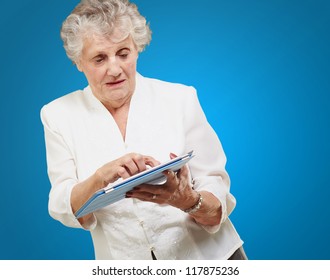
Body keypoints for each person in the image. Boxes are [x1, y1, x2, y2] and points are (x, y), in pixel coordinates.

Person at [40, 0, 247, 260]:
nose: (114, 69)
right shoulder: (57, 114)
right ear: (79, 61)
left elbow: (217, 196)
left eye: (123, 53)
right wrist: (100, 178)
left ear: (137, 49)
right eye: (99, 58)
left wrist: (187, 200)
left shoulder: (180, 98)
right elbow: (61, 203)